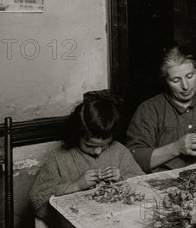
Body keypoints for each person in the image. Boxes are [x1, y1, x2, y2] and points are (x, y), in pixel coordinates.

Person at [30, 91, 145, 219]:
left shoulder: (119, 151)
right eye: (90, 146)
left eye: (105, 145)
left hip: (119, 219)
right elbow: (37, 200)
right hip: (79, 223)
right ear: (76, 136)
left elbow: (143, 183)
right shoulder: (58, 158)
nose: (98, 151)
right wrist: (75, 186)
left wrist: (121, 179)